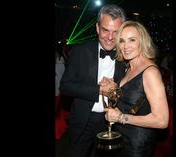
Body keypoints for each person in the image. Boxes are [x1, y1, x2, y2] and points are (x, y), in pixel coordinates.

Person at [59, 4, 126, 157]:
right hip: (83, 121)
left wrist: (115, 91)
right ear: (97, 28)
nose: (110, 37)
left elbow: (132, 94)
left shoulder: (126, 56)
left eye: (116, 32)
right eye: (105, 30)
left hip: (111, 123)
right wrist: (99, 90)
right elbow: (65, 86)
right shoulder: (80, 50)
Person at [103, 20, 169, 157]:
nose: (125, 46)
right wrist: (112, 89)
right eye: (121, 41)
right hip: (122, 139)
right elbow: (133, 101)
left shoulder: (150, 72)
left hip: (137, 145)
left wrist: (120, 117)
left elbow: (162, 121)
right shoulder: (129, 67)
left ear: (142, 42)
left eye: (132, 40)